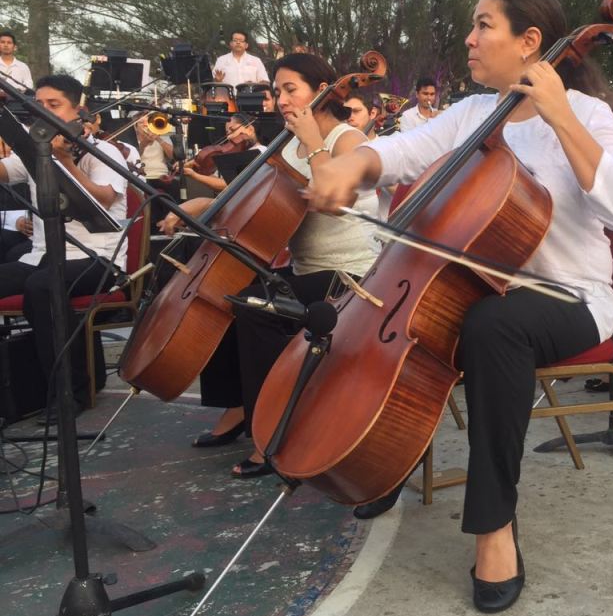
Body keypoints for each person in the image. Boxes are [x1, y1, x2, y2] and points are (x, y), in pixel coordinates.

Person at [305, 0, 613, 613]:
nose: (469, 38)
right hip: (482, 292)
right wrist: (354, 164)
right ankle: (385, 459)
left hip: (570, 298)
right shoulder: (470, 114)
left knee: (494, 326)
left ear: (530, 43)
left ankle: (494, 525)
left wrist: (561, 116)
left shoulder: (589, 115)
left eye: (483, 25)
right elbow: (399, 152)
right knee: (416, 315)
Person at [160, 54, 379, 476]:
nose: (279, 99)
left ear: (322, 90)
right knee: (224, 292)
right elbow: (249, 196)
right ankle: (240, 404)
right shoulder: (284, 144)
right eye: (277, 91)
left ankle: (272, 430)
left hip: (350, 274)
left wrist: (314, 140)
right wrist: (201, 203)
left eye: (290, 89)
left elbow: (336, 206)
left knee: (256, 308)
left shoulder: (349, 141)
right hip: (304, 271)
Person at [0, 74, 128, 415]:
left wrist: (68, 160)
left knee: (43, 287)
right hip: (42, 254)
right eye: (37, 106)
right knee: (32, 277)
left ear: (77, 111)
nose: (44, 112)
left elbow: (103, 200)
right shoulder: (32, 149)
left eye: (53, 105)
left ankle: (73, 392)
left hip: (97, 257)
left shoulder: (102, 151)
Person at [182, 114, 265, 194]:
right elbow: (222, 182)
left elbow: (228, 185)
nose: (229, 137)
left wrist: (194, 175)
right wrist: (197, 169)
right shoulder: (239, 155)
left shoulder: (260, 151)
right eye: (227, 133)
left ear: (250, 129)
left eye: (233, 130)